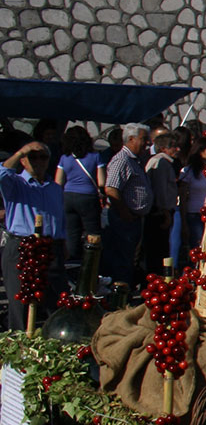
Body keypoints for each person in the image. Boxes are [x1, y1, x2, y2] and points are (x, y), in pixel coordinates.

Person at [1, 141, 67, 330]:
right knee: (21, 304)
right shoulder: (15, 184)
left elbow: (59, 218)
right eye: (33, 157)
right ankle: (20, 349)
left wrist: (63, 243)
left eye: (42, 157)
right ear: (23, 161)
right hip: (22, 246)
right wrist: (22, 151)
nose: (38, 161)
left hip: (50, 246)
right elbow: (1, 174)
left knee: (56, 301)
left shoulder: (54, 188)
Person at [102, 123, 152, 287]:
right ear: (131, 139)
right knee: (122, 259)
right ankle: (120, 294)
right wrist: (124, 213)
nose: (148, 144)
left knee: (130, 258)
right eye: (144, 140)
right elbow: (111, 189)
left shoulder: (135, 160)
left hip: (133, 218)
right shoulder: (121, 160)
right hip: (123, 219)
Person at [54, 124, 104, 270]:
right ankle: (92, 266)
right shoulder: (95, 157)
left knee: (72, 233)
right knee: (92, 233)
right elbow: (101, 181)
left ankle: (72, 265)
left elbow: (59, 181)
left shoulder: (64, 158)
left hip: (68, 197)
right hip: (88, 197)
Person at [142, 131, 181, 276]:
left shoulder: (160, 162)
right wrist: (165, 213)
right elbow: (161, 191)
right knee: (158, 250)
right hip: (159, 212)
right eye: (173, 147)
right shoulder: (161, 164)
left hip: (159, 211)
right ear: (163, 149)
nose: (177, 150)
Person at [173, 139, 206, 269]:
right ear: (200, 152)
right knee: (196, 248)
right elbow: (183, 197)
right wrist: (184, 221)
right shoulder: (188, 171)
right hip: (194, 214)